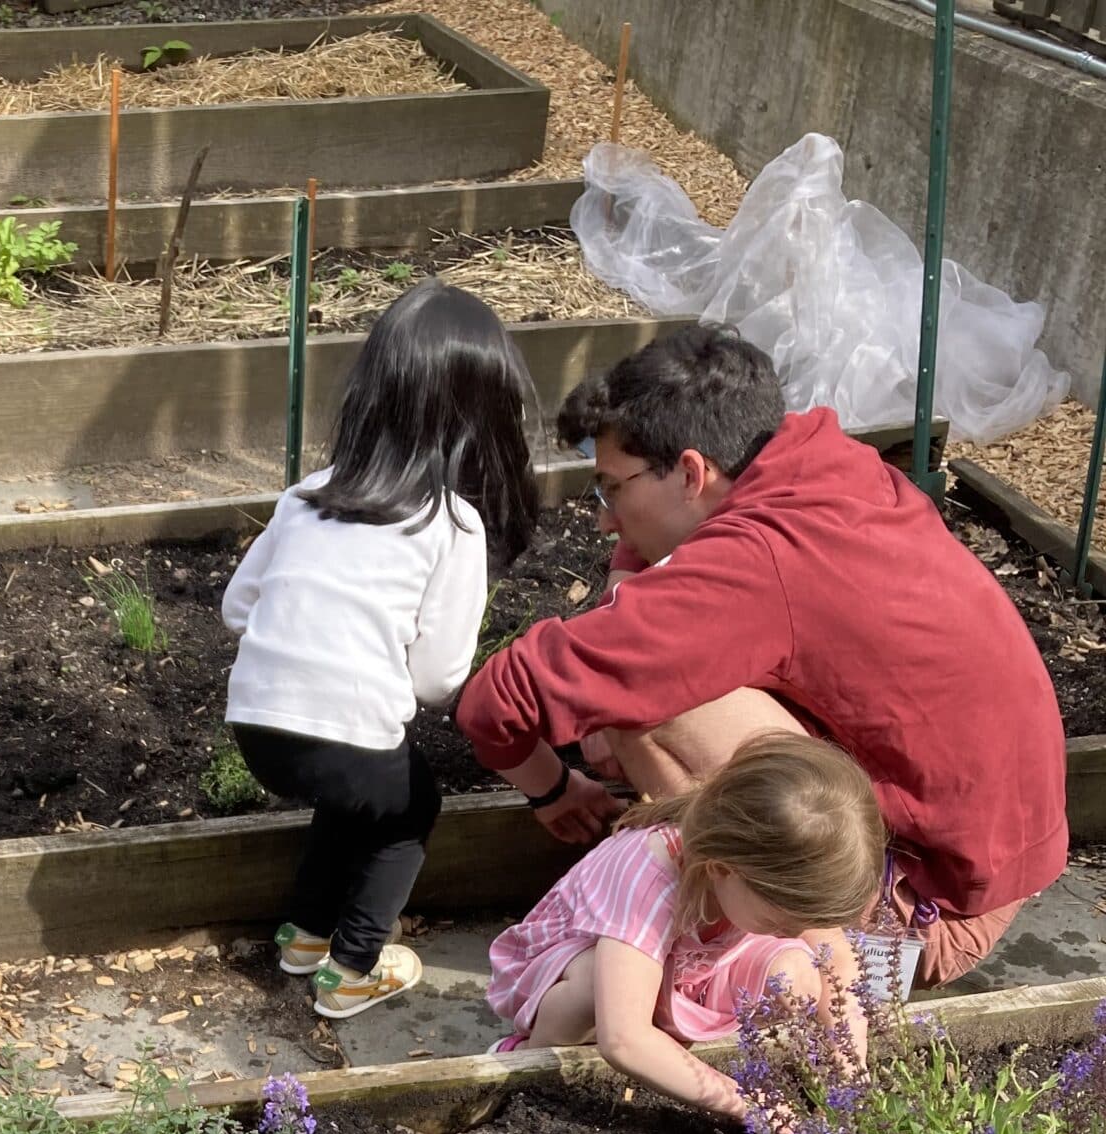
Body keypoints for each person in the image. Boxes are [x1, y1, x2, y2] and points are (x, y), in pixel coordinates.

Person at [456, 324, 1068, 986]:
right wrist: (626, 584)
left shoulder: (755, 564)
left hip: (925, 913)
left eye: (612, 489)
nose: (604, 520)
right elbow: (658, 554)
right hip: (998, 857)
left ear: (692, 471)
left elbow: (496, 701)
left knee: (645, 704)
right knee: (635, 675)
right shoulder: (818, 463)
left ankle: (767, 934)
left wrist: (552, 789)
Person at [221, 282, 539, 1019]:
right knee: (409, 803)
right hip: (347, 732)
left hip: (258, 729)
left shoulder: (306, 494)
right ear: (479, 417)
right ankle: (354, 967)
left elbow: (238, 606)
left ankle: (303, 935)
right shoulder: (452, 522)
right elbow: (436, 680)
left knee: (356, 793)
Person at [486, 733, 882, 1120]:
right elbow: (623, 1039)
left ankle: (673, 1049)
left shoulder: (748, 876)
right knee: (591, 989)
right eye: (778, 922)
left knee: (800, 975)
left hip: (686, 970)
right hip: (572, 970)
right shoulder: (648, 876)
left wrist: (850, 1066)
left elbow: (837, 959)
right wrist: (745, 1103)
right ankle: (528, 1063)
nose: (793, 933)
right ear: (723, 869)